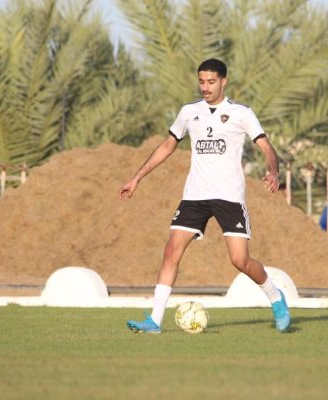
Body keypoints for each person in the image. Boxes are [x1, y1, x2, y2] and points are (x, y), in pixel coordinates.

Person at [119, 58, 290, 333]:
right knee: (171, 250)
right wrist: (136, 178)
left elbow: (268, 149)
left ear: (224, 81)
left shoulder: (241, 113)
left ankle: (275, 296)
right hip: (195, 195)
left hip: (228, 196)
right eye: (201, 82)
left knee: (240, 261)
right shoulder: (189, 112)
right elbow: (167, 145)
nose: (205, 87)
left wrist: (273, 171)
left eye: (211, 82)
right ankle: (154, 320)